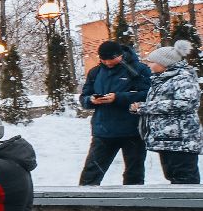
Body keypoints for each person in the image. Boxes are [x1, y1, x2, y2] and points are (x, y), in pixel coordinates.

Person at [79, 39, 152, 185]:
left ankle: (134, 205)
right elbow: (84, 97)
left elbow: (148, 94)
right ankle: (83, 204)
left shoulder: (139, 69)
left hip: (133, 130)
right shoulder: (95, 72)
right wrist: (91, 100)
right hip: (103, 131)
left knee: (134, 174)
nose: (107, 63)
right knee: (90, 174)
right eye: (103, 59)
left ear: (120, 55)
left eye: (111, 59)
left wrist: (118, 97)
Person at [131, 41, 200, 184]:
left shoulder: (183, 78)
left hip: (181, 141)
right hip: (168, 140)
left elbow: (186, 103)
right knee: (174, 179)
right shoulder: (162, 79)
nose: (148, 65)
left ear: (164, 63)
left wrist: (145, 107)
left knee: (185, 181)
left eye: (151, 62)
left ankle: (191, 207)